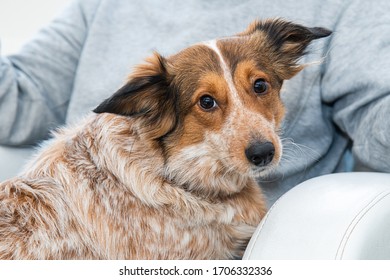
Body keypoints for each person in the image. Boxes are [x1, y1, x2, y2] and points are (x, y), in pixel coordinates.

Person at [0, 0, 389, 206]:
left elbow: (379, 119)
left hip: (238, 249)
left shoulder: (345, 6)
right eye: (207, 101)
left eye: (258, 86)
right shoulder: (103, 5)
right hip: (83, 223)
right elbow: (19, 99)